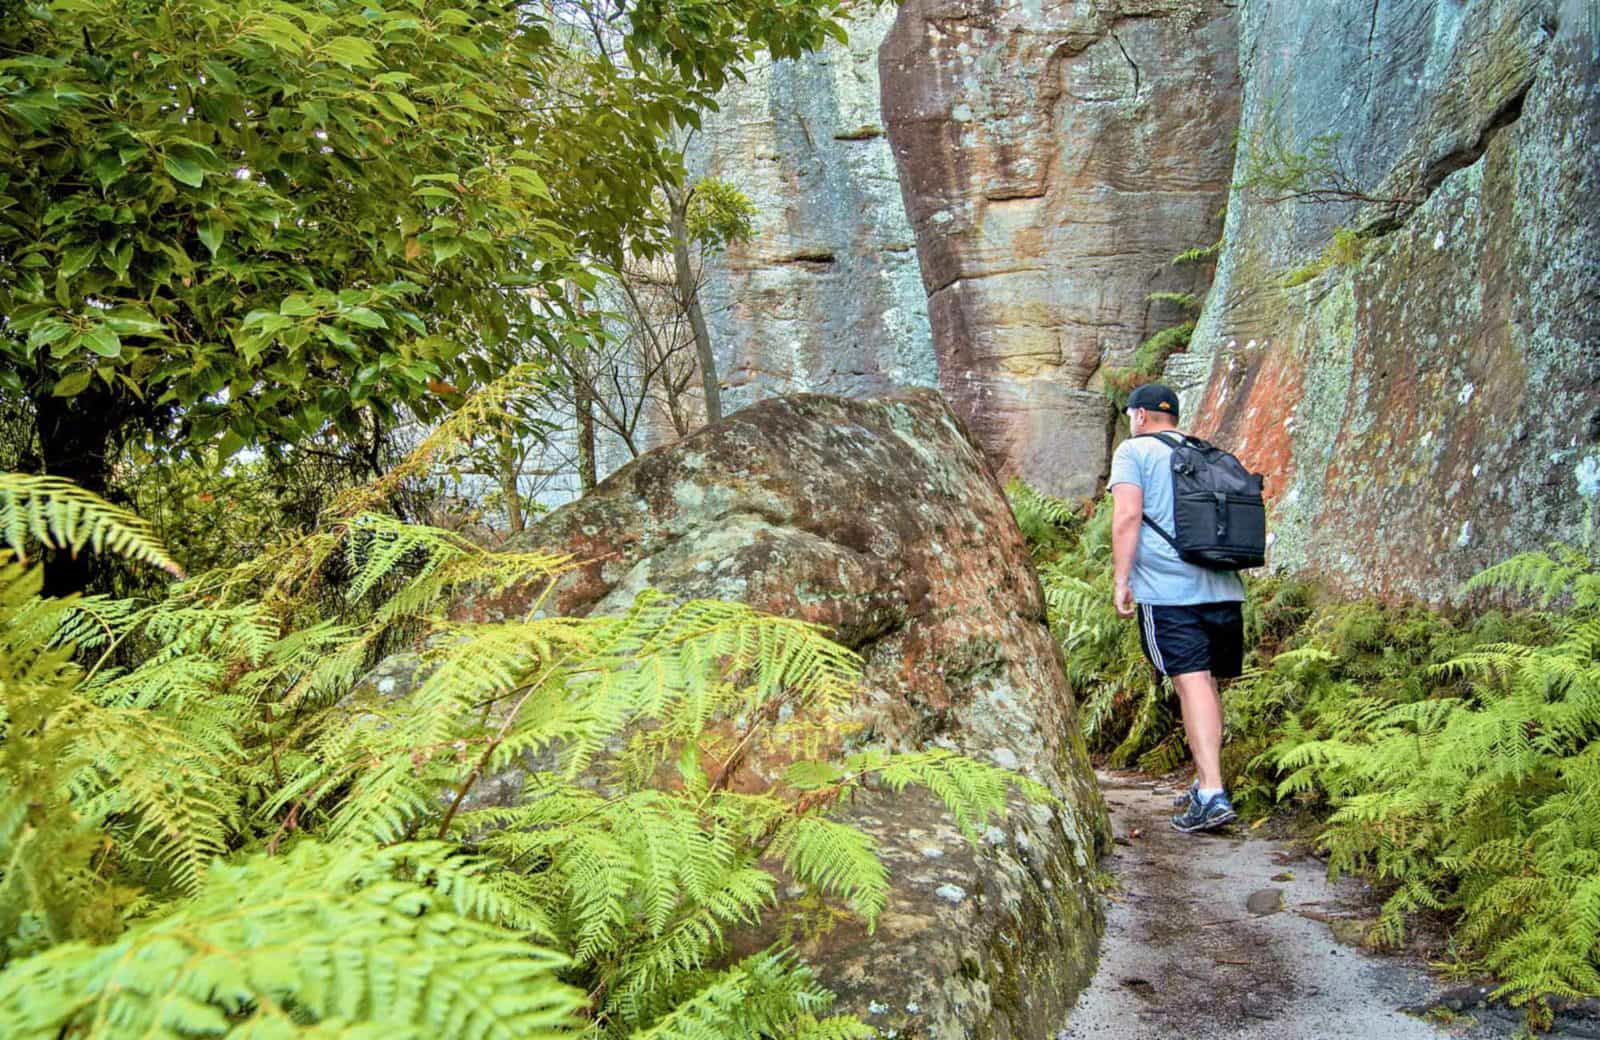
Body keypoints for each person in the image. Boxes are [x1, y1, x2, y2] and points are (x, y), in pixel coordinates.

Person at [1107, 383, 1245, 833]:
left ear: (1140, 415)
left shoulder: (1134, 451)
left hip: (1170, 591)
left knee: (1192, 683)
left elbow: (1127, 516)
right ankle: (1208, 781)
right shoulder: (1205, 451)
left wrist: (1122, 580)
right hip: (1223, 586)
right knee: (1205, 684)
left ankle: (1212, 793)